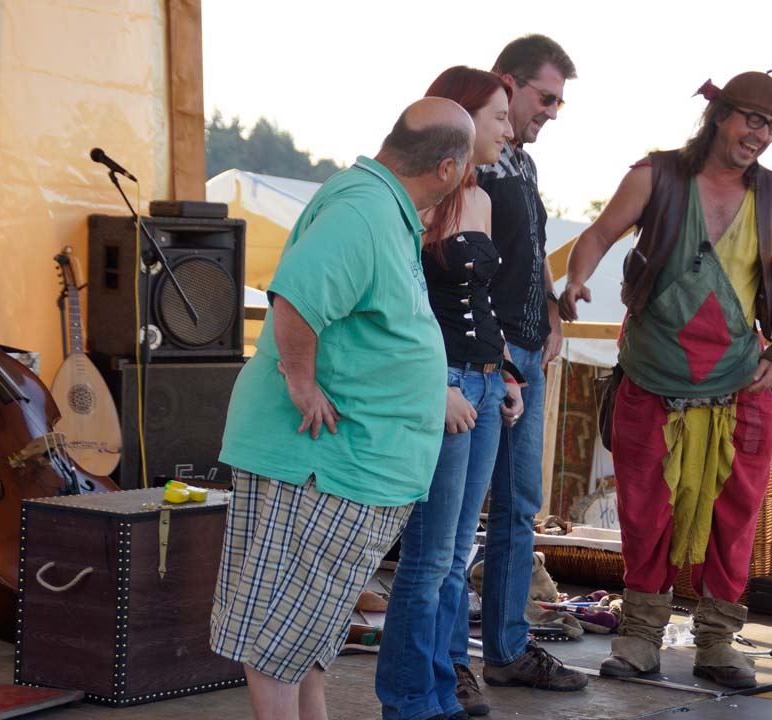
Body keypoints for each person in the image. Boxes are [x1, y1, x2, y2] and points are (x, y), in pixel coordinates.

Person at [209, 97, 475, 720]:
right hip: (315, 463)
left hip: (344, 466)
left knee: (305, 637)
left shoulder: (384, 207)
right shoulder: (363, 209)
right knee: (277, 636)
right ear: (445, 168)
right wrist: (301, 382)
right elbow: (297, 297)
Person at [558, 71, 772, 690]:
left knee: (736, 515)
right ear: (720, 114)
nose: (762, 135)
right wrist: (576, 279)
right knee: (646, 512)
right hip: (653, 374)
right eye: (753, 120)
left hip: (741, 381)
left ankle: (718, 641)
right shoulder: (657, 175)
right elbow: (598, 234)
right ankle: (640, 635)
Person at [376, 65, 521, 720]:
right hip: (446, 385)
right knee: (430, 555)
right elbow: (401, 307)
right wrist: (435, 384)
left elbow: (481, 301)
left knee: (458, 553)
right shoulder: (419, 201)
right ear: (462, 118)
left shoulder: (482, 198)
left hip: (485, 384)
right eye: (499, 116)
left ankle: (439, 690)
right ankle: (410, 700)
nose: (508, 129)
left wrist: (507, 373)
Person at [451, 35, 588, 715]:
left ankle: (505, 650)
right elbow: (459, 264)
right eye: (546, 98)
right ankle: (450, 663)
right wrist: (495, 347)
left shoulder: (522, 165)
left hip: (524, 355)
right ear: (506, 82)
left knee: (518, 507)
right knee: (452, 522)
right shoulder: (468, 162)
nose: (553, 112)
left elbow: (525, 253)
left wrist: (554, 306)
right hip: (483, 357)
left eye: (559, 101)